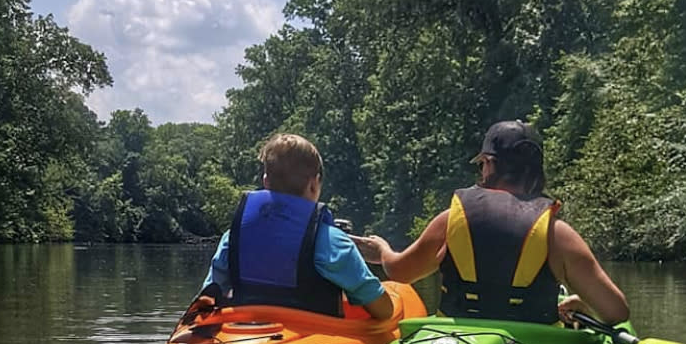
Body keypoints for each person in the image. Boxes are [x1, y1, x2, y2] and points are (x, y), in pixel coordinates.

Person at [352, 120, 628, 326]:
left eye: (482, 164)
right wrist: (581, 310)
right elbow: (617, 312)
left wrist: (382, 251)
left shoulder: (450, 221)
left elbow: (401, 273)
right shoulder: (558, 235)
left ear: (488, 162)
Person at [184, 133, 393, 322]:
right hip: (312, 340)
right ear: (314, 184)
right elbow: (383, 310)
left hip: (246, 336)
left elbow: (209, 296)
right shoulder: (332, 241)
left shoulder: (234, 237)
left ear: (265, 181)